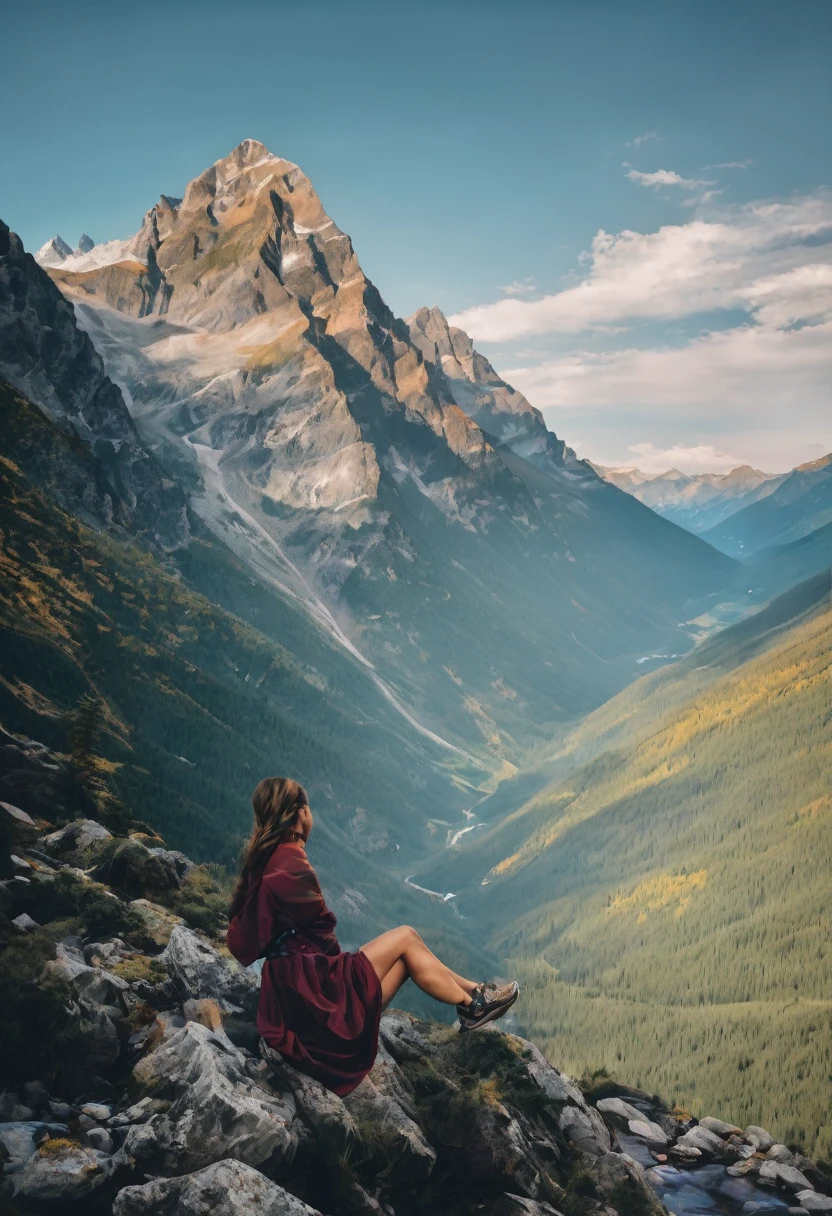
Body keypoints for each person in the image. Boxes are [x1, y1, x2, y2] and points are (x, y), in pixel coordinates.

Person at [226, 777, 520, 1096]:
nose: (311, 815)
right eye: (307, 808)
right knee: (406, 937)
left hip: (289, 997)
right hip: (312, 996)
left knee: (408, 956)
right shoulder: (290, 862)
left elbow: (240, 945)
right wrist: (342, 983)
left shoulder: (262, 861)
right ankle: (472, 1005)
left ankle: (476, 995)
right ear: (297, 814)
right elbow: (324, 939)